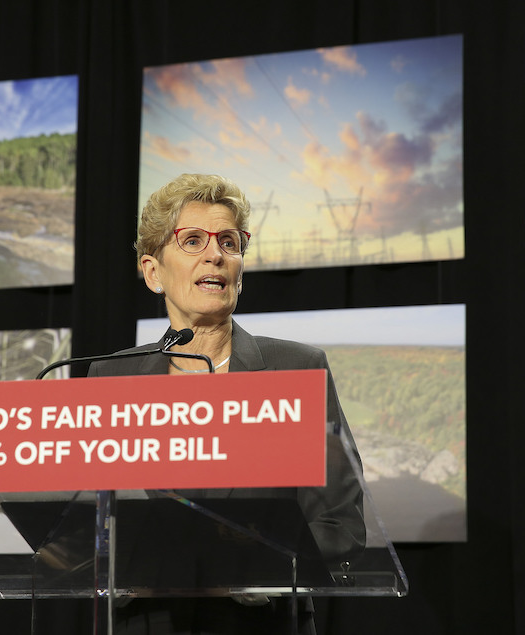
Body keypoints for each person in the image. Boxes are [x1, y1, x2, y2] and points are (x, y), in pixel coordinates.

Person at [88, 173, 366, 634]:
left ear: (240, 266)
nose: (215, 254)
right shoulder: (111, 378)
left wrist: (249, 570)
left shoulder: (295, 368)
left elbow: (341, 522)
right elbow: (85, 525)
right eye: (192, 240)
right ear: (153, 271)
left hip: (262, 623)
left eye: (229, 243)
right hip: (146, 622)